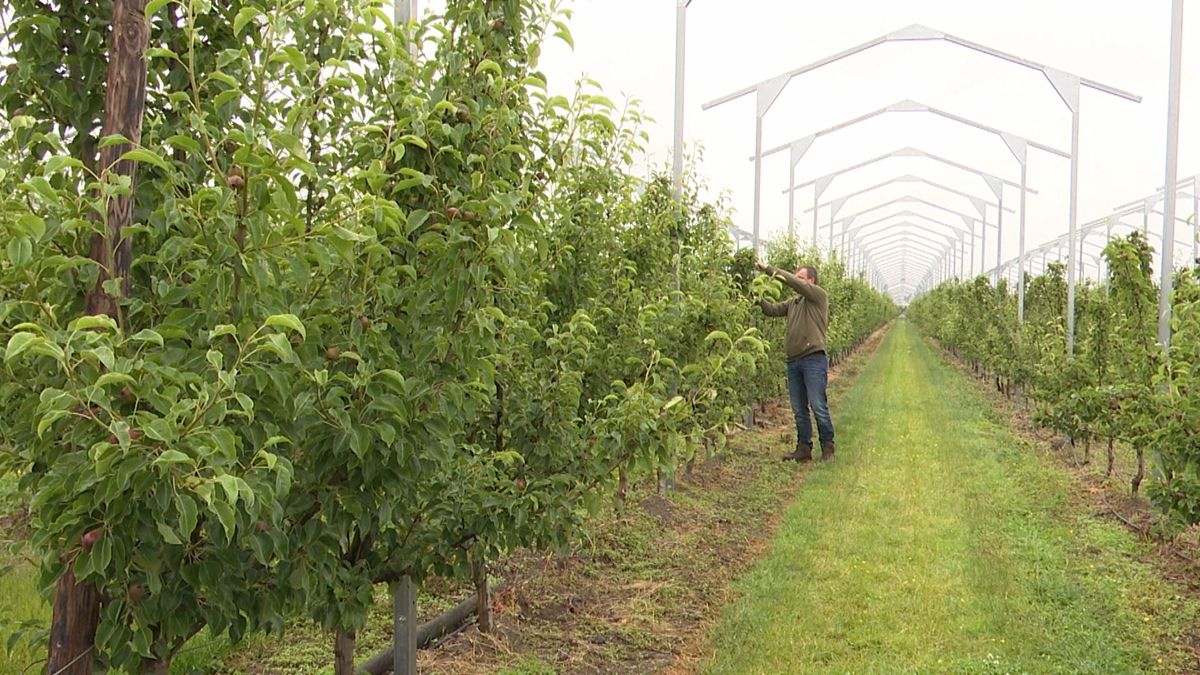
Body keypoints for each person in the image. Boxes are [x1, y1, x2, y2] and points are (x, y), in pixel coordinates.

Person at [755, 260, 835, 462]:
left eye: (801, 278)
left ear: (811, 281)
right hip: (794, 361)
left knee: (818, 405)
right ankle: (803, 448)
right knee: (799, 408)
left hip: (813, 358)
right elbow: (772, 310)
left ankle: (828, 447)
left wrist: (769, 270)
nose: (796, 281)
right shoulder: (794, 303)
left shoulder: (818, 296)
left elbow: (792, 282)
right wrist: (757, 296)